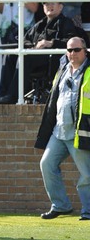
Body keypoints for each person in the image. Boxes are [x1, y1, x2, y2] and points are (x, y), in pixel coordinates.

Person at [35, 37, 90, 221]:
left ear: (85, 51)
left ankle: (88, 211)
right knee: (47, 164)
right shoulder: (63, 69)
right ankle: (61, 205)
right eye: (69, 50)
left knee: (87, 174)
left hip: (79, 131)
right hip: (59, 130)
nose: (72, 53)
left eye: (77, 50)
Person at [0, 2, 77, 104]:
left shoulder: (66, 23)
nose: (49, 6)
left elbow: (71, 42)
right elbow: (24, 40)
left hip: (52, 59)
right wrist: (33, 45)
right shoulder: (40, 24)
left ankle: (13, 95)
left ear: (61, 7)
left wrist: (50, 43)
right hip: (34, 56)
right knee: (9, 55)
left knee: (25, 58)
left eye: (52, 3)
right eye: (46, 4)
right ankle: (2, 95)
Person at [0, 2, 39, 104]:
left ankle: (14, 96)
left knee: (20, 62)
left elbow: (34, 7)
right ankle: (2, 95)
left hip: (24, 28)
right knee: (6, 61)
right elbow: (0, 10)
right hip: (6, 28)